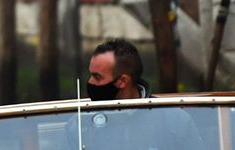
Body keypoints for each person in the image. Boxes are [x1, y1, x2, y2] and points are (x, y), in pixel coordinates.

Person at [70, 39, 203, 150]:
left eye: (97, 77)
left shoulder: (174, 121)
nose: (90, 82)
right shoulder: (80, 125)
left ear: (122, 81)